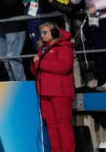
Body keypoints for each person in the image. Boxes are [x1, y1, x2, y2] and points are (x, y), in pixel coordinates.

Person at [31, 22, 76, 152]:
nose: (43, 36)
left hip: (60, 92)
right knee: (51, 125)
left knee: (63, 124)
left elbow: (63, 66)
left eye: (45, 32)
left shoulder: (64, 47)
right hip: (45, 92)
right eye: (41, 33)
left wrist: (41, 62)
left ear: (54, 32)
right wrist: (34, 63)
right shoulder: (43, 49)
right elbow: (36, 70)